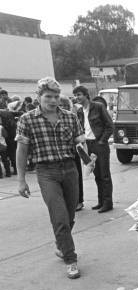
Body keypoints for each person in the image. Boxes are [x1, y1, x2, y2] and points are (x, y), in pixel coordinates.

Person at [16, 77, 85, 278]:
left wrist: (89, 159)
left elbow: (80, 144)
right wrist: (21, 180)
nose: (53, 100)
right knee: (60, 217)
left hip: (70, 169)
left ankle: (60, 244)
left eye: (56, 96)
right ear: (39, 97)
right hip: (47, 172)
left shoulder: (70, 117)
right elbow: (21, 151)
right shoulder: (27, 119)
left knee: (70, 216)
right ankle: (71, 259)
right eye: (48, 96)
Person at [73, 85, 114, 213]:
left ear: (86, 95)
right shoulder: (79, 111)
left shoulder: (98, 107)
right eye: (75, 95)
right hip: (88, 145)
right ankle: (101, 201)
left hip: (99, 144)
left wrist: (102, 141)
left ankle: (108, 203)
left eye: (79, 94)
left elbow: (110, 126)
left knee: (104, 175)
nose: (77, 97)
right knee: (96, 174)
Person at [58, 95, 84, 211]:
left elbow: (80, 137)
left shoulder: (72, 118)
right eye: (60, 105)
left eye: (64, 105)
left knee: (76, 178)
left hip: (73, 153)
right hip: (58, 156)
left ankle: (79, 201)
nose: (62, 107)